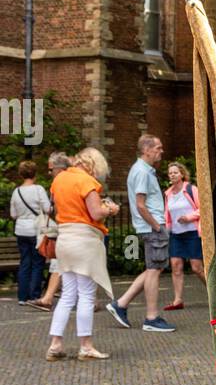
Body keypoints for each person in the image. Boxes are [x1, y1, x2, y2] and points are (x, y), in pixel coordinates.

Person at [46, 147, 118, 361]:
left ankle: (55, 344)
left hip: (65, 238)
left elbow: (58, 209)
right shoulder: (87, 182)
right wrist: (111, 209)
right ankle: (86, 346)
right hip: (84, 240)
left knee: (68, 294)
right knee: (86, 294)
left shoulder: (59, 180)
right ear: (93, 166)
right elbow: (96, 213)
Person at [107, 134, 175, 332]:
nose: (161, 151)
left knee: (153, 268)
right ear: (147, 150)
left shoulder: (142, 170)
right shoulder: (142, 172)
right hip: (152, 227)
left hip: (151, 227)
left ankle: (120, 304)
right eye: (158, 148)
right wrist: (156, 225)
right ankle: (151, 318)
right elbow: (140, 205)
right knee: (154, 270)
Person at [27, 153, 71, 310]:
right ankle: (50, 297)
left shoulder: (61, 184)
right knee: (61, 264)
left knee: (61, 264)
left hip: (70, 230)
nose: (49, 173)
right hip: (68, 229)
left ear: (59, 169)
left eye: (51, 169)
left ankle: (48, 298)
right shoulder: (60, 184)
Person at [163, 161, 205, 310]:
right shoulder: (168, 194)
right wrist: (166, 230)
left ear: (181, 174)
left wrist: (189, 217)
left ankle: (215, 293)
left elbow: (204, 209)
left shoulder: (191, 189)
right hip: (176, 235)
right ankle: (177, 300)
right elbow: (167, 215)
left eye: (175, 172)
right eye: (170, 173)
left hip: (192, 233)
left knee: (196, 268)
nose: (172, 175)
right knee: (176, 266)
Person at [10, 159, 50, 304]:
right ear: (35, 174)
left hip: (21, 230)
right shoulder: (38, 189)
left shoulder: (16, 192)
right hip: (36, 230)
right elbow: (47, 209)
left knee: (25, 262)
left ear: (21, 174)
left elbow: (13, 214)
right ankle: (34, 295)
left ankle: (22, 296)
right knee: (38, 263)